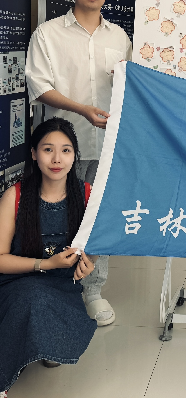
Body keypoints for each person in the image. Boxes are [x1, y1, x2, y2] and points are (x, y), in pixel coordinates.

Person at [26, 0, 132, 325]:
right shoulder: (48, 34)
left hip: (107, 146)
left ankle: (92, 291)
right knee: (57, 215)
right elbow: (39, 87)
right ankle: (54, 287)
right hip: (60, 149)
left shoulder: (119, 37)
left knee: (99, 218)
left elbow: (130, 89)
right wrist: (83, 109)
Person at [0, 118, 98, 396]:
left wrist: (87, 263)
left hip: (63, 287)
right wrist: (45, 264)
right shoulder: (15, 196)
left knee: (47, 330)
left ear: (75, 155)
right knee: (31, 298)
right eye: (47, 150)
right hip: (15, 283)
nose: (57, 159)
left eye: (66, 150)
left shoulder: (87, 195)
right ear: (33, 154)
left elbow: (92, 249)